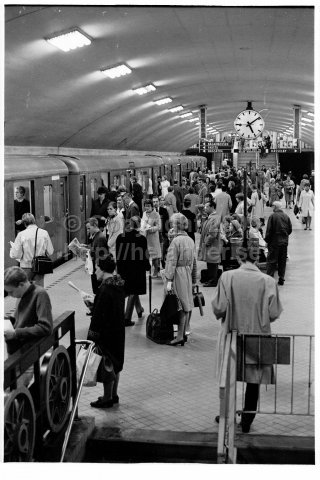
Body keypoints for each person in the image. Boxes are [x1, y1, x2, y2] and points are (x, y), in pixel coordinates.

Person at [212, 240, 283, 433]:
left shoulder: (227, 277)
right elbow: (275, 312)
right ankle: (247, 420)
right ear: (258, 257)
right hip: (258, 337)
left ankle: (226, 414)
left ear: (239, 257)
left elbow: (219, 308)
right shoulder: (268, 281)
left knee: (229, 376)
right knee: (254, 381)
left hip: (232, 334)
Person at [87, 255, 125, 409]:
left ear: (102, 269)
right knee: (116, 362)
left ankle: (107, 397)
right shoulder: (119, 284)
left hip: (106, 332)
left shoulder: (104, 289)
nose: (95, 272)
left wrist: (92, 335)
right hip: (118, 329)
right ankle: (114, 394)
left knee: (107, 364)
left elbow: (99, 315)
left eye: (96, 268)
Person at [4, 266, 53, 355]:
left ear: (21, 284)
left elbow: (45, 328)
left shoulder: (40, 294)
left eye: (11, 292)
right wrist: (7, 320)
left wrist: (16, 333)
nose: (9, 295)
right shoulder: (21, 294)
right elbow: (21, 320)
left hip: (27, 351)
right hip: (16, 349)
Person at [164, 213, 197, 345]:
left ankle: (179, 336)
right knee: (187, 303)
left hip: (178, 273)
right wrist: (194, 278)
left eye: (172, 224)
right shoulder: (190, 240)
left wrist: (169, 279)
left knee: (180, 305)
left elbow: (171, 262)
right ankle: (183, 333)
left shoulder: (176, 241)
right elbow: (193, 262)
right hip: (187, 272)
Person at [116, 216, 151, 326]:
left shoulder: (120, 237)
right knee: (133, 291)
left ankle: (139, 309)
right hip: (137, 270)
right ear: (139, 225)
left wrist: (118, 269)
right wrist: (148, 267)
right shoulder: (141, 239)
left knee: (130, 289)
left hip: (123, 269)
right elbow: (145, 255)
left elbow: (118, 255)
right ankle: (126, 318)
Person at [10, 213, 54, 287]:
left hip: (25, 266)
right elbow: (50, 251)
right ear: (34, 221)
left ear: (24, 223)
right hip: (40, 266)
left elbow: (16, 254)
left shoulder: (21, 234)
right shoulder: (44, 233)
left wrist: (12, 249)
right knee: (39, 290)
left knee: (24, 291)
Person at [265, 201, 292, 286]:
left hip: (274, 242)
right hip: (284, 242)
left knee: (272, 260)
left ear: (275, 207)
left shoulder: (272, 216)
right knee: (282, 260)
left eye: (272, 206)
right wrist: (285, 235)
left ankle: (269, 278)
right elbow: (290, 229)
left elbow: (269, 230)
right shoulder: (286, 216)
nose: (272, 208)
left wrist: (267, 241)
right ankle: (281, 278)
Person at [197, 199, 222, 287]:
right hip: (210, 245)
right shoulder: (211, 217)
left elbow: (213, 234)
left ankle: (213, 280)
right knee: (210, 262)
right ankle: (211, 279)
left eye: (207, 206)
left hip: (212, 245)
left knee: (212, 263)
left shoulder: (214, 218)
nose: (205, 208)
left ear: (212, 207)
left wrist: (206, 243)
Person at [86, 217, 109, 294]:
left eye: (89, 228)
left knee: (98, 292)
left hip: (98, 271)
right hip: (96, 270)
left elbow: (98, 254)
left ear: (95, 225)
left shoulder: (100, 238)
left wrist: (86, 252)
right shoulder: (97, 236)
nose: (88, 231)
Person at [141, 199, 161, 278]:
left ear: (152, 206)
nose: (147, 208)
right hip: (145, 236)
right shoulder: (144, 213)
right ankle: (150, 269)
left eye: (148, 206)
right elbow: (143, 223)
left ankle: (156, 270)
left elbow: (159, 226)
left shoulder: (156, 214)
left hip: (153, 237)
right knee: (147, 254)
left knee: (155, 255)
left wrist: (151, 229)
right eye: (146, 206)